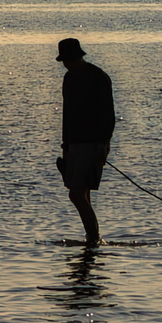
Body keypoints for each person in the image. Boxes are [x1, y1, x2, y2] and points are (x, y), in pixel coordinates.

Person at [55, 37, 116, 246]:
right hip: (74, 144)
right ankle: (92, 238)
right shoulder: (68, 79)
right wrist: (65, 146)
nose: (67, 64)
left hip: (92, 143)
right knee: (80, 193)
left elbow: (108, 114)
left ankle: (93, 238)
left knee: (76, 194)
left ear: (79, 57)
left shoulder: (98, 77)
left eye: (69, 60)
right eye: (64, 61)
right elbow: (67, 114)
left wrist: (103, 144)